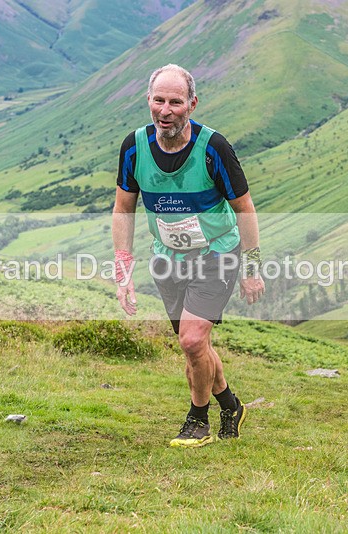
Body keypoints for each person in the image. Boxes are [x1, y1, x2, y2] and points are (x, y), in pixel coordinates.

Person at [112, 64, 265, 448]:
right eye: (158, 100)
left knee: (192, 341)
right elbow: (123, 209)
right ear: (148, 100)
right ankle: (231, 404)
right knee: (195, 344)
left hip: (217, 254)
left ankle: (198, 421)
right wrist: (122, 271)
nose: (166, 110)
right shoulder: (134, 147)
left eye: (175, 102)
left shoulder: (214, 148)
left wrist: (251, 268)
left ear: (192, 104)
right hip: (167, 259)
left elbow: (245, 209)